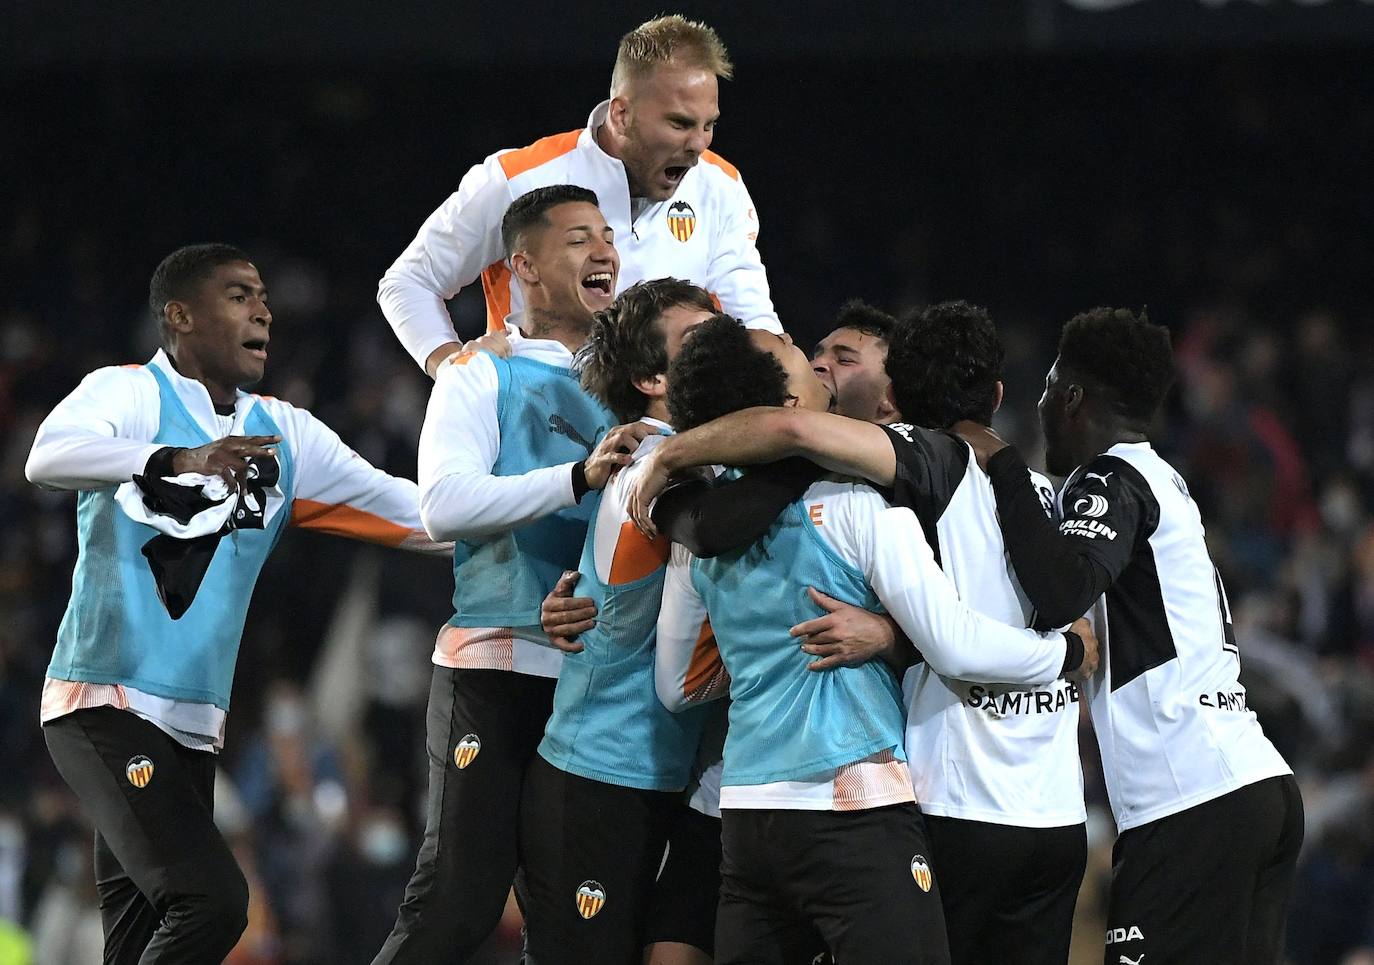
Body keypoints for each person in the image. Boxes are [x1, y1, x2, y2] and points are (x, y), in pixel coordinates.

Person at [626, 301, 1089, 963]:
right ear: (786, 405)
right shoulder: (859, 504)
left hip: (749, 809)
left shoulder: (693, 528)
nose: (813, 359)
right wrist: (1064, 649)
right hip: (853, 802)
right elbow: (954, 641)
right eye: (797, 355)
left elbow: (676, 685)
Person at [25, 243, 448, 964]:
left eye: (263, 296)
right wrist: (172, 458)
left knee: (135, 940)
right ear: (180, 316)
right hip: (105, 703)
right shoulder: (129, 394)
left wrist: (566, 498)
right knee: (212, 901)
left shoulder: (284, 435)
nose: (263, 310)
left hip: (193, 730)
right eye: (238, 295)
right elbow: (48, 455)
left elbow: (419, 515)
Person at [956, 307, 1303, 965]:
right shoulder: (1164, 480)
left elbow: (1062, 589)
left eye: (1049, 385)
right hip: (1250, 786)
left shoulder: (1112, 477)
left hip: (1192, 802)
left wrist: (1002, 465)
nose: (1041, 402)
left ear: (1073, 396)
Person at [373, 184, 644, 963]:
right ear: (522, 264)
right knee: (460, 898)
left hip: (600, 686)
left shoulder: (642, 385)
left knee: (577, 926)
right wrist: (577, 479)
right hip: (498, 662)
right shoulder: (483, 372)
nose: (605, 251)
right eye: (578, 238)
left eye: (608, 236)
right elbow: (443, 506)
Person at [379, 14, 780, 380]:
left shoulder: (721, 187)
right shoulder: (519, 178)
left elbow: (755, 325)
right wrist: (453, 369)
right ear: (621, 115)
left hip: (667, 438)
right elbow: (410, 281)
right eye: (679, 123)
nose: (698, 144)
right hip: (533, 431)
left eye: (708, 125)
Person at [520, 278, 720, 965]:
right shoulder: (652, 464)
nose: (719, 346)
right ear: (649, 377)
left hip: (655, 779)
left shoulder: (682, 456)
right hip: (599, 778)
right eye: (697, 340)